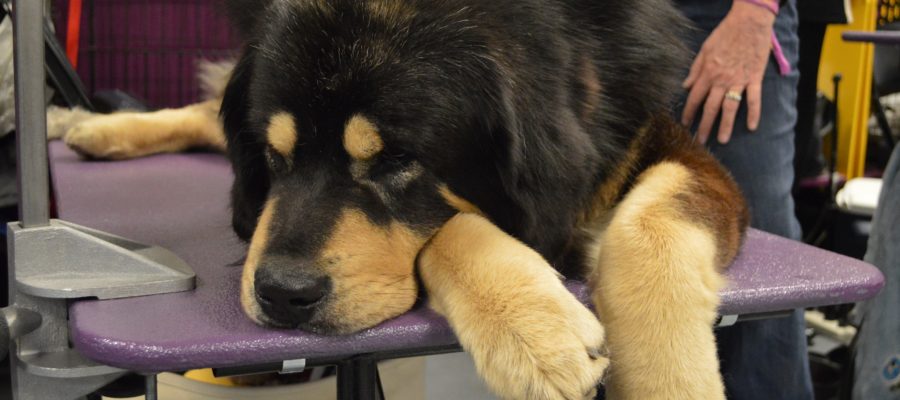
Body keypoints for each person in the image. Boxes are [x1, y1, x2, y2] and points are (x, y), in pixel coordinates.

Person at [673, 1, 814, 399]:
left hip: (724, 16)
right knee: (605, 251)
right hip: (594, 18)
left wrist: (754, 11)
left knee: (758, 261)